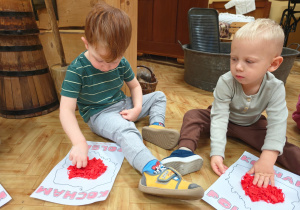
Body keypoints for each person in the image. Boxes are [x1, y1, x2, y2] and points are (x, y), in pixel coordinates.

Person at [59, 2, 203, 200]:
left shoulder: (121, 62)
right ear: (86, 43)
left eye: (114, 61)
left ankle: (156, 127)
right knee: (127, 131)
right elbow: (66, 110)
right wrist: (78, 142)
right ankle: (152, 171)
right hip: (99, 114)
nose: (107, 67)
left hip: (124, 104)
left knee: (158, 96)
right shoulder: (77, 70)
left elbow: (135, 86)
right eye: (100, 60)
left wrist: (136, 108)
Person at [162, 19, 300, 188]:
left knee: (280, 143)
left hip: (251, 125)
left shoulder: (276, 88)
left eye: (249, 61)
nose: (238, 67)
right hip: (222, 119)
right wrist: (217, 154)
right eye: (234, 59)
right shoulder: (226, 81)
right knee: (193, 116)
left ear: (273, 64)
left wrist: (267, 159)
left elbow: (277, 124)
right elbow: (219, 117)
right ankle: (184, 151)